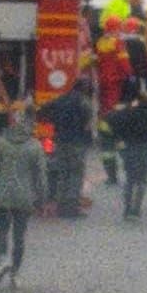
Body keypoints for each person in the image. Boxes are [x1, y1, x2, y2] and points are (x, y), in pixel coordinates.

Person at [0, 104, 47, 288]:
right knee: (19, 236)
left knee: (1, 229)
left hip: (2, 194)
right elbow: (41, 176)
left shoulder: (1, 143)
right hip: (24, 197)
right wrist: (42, 198)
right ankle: (15, 273)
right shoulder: (35, 147)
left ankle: (3, 258)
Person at [104, 77, 147, 219]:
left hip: (129, 149)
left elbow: (113, 124)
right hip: (145, 150)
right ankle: (136, 209)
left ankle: (128, 208)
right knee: (141, 180)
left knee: (130, 180)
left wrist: (118, 140)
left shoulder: (126, 112)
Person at [38, 80, 93, 218]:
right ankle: (71, 208)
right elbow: (88, 122)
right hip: (77, 142)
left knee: (62, 172)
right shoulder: (84, 102)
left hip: (60, 141)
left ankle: (60, 205)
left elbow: (41, 112)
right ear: (84, 89)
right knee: (75, 174)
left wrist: (54, 121)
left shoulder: (60, 99)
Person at [95, 15, 132, 184]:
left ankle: (111, 175)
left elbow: (98, 62)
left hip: (103, 84)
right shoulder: (118, 42)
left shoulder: (101, 42)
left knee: (105, 116)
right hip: (115, 84)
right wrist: (131, 77)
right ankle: (130, 167)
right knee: (115, 119)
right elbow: (124, 63)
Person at [122, 16, 147, 88]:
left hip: (123, 75)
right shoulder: (140, 42)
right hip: (138, 74)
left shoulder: (119, 41)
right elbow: (145, 60)